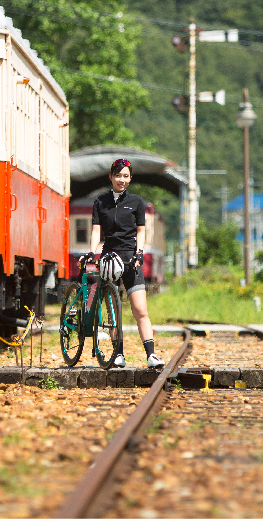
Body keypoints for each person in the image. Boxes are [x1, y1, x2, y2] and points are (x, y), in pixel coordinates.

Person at [83, 158, 165, 369]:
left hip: (131, 261)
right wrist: (92, 253)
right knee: (114, 311)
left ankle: (151, 355)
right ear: (111, 177)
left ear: (130, 178)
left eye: (126, 176)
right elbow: (96, 231)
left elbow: (140, 231)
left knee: (140, 310)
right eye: (118, 175)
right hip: (110, 259)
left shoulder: (137, 202)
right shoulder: (100, 202)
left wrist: (139, 253)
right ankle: (118, 353)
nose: (122, 180)